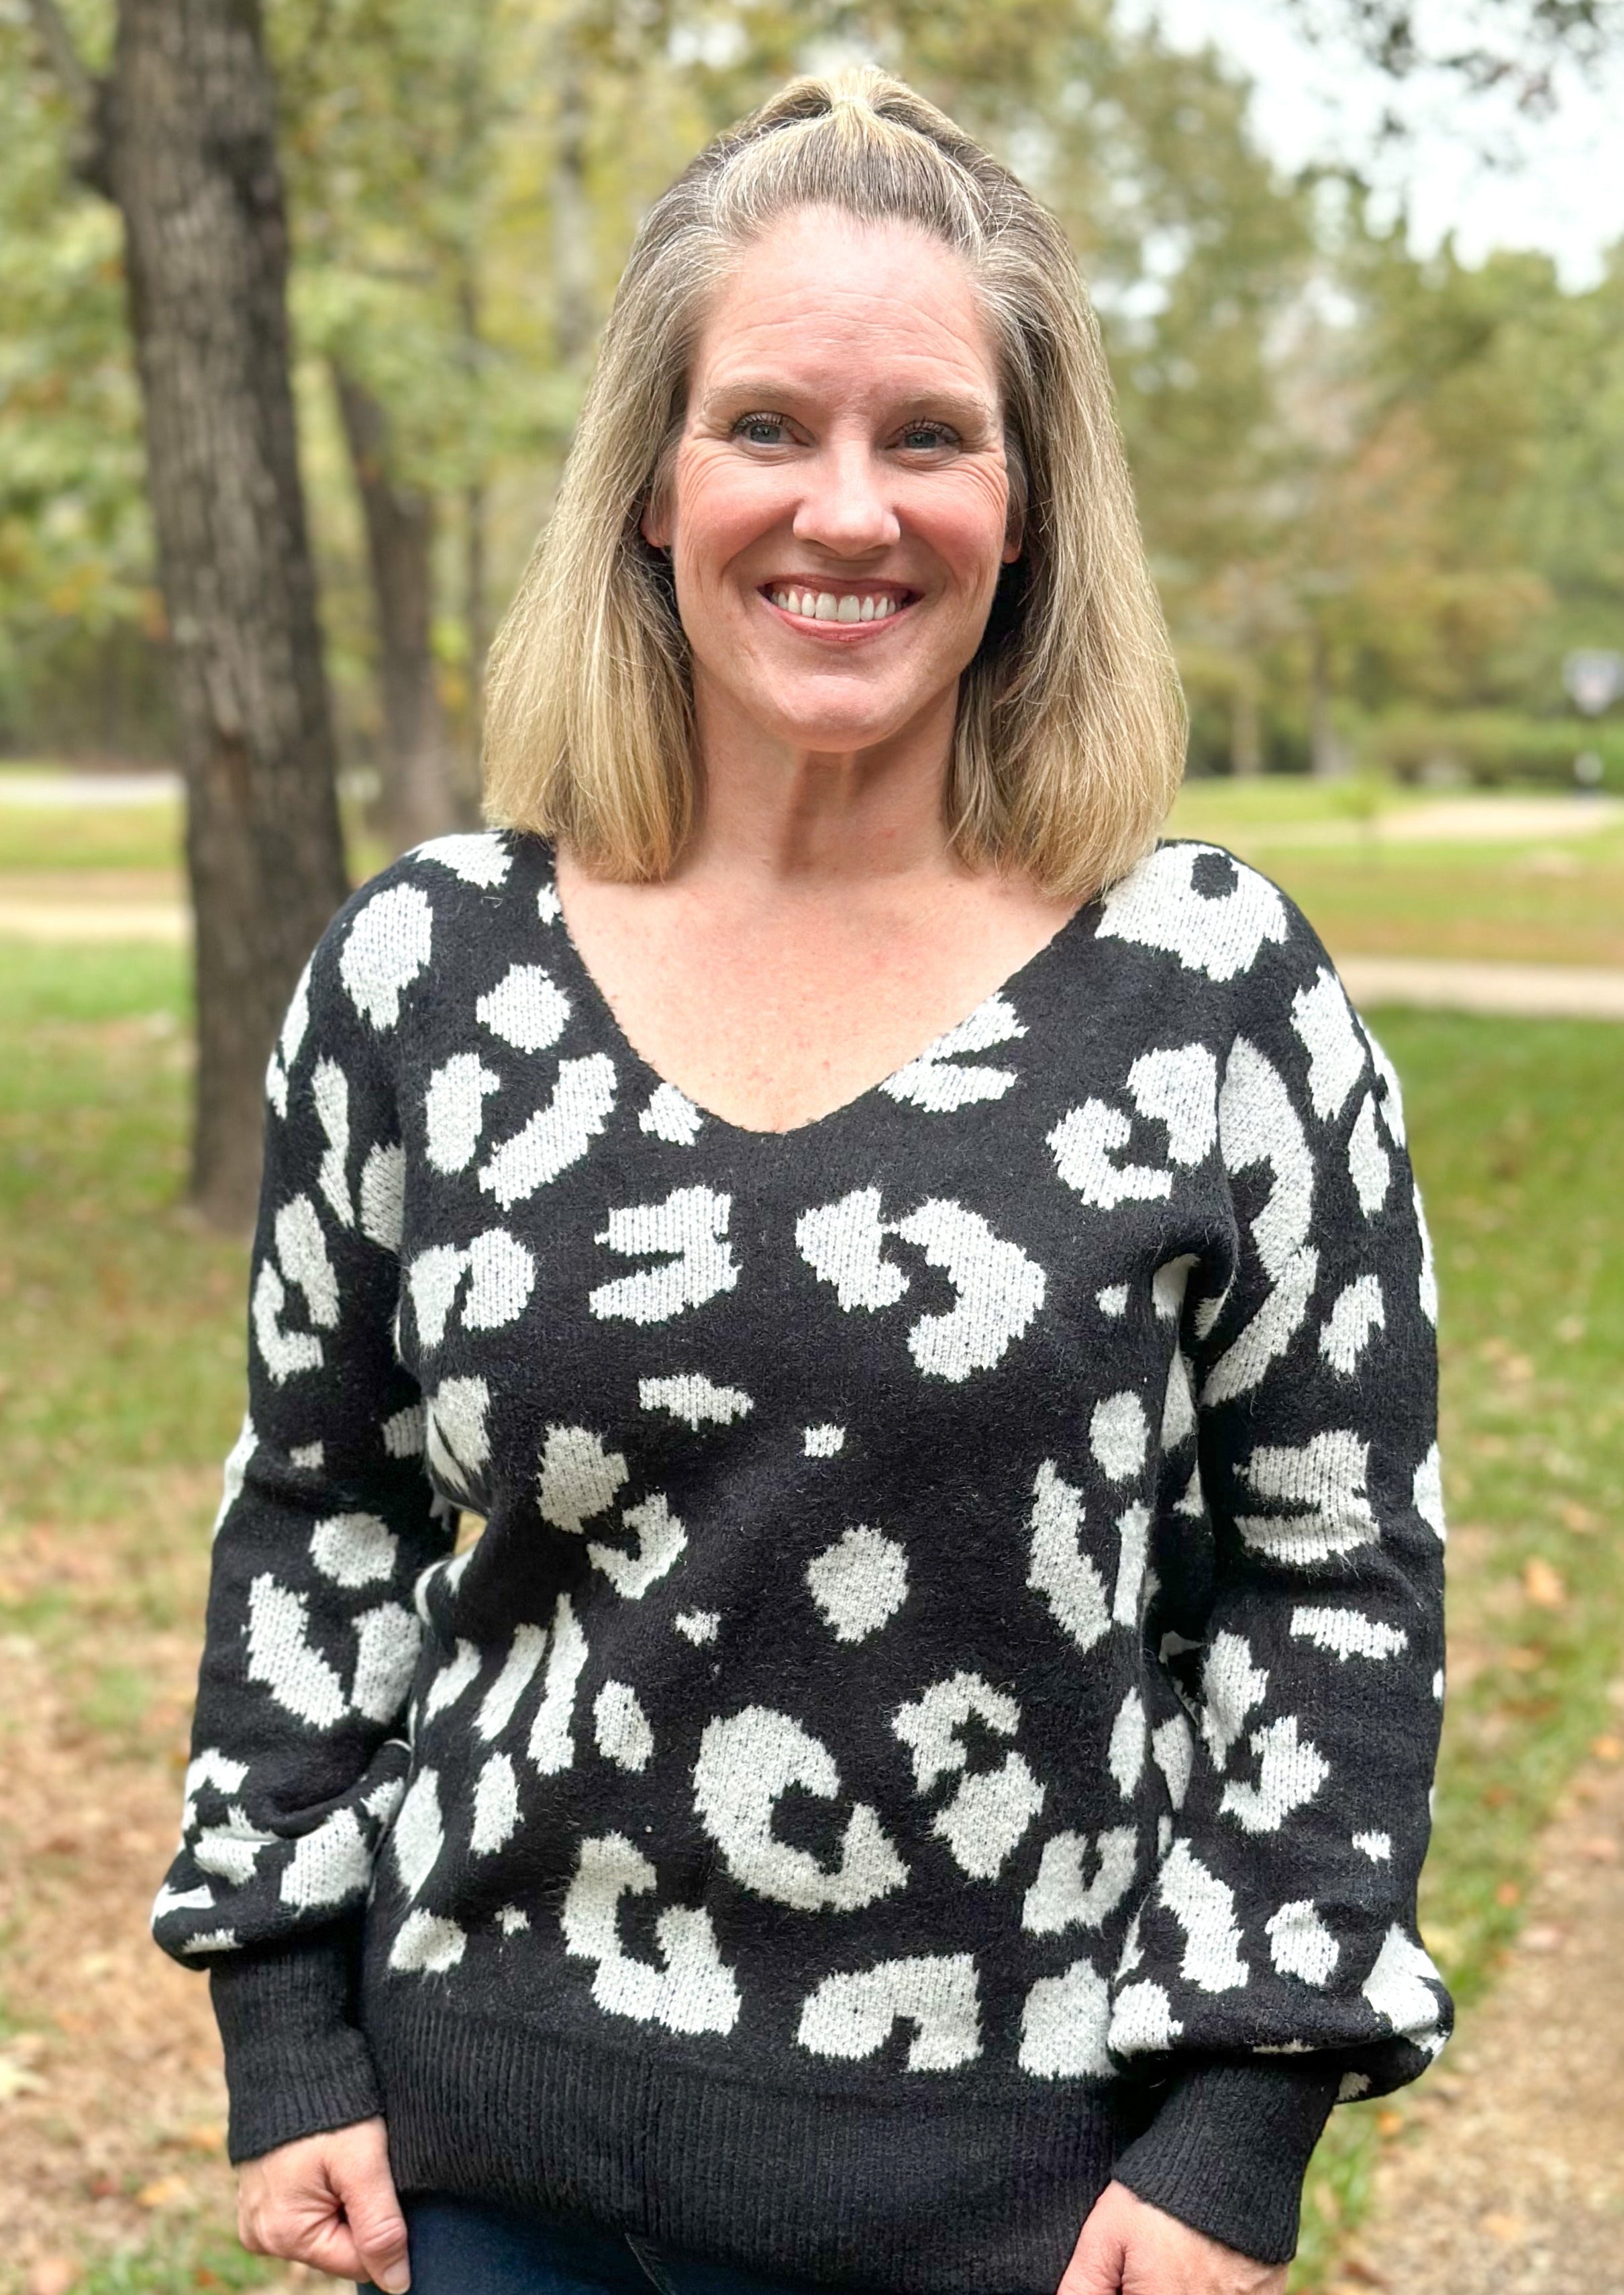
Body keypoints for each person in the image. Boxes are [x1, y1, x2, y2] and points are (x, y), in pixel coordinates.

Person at [152, 68, 1451, 2295]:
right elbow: (323, 1503)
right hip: (491, 2171)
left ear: (1027, 505)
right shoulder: (427, 970)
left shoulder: (1204, 988)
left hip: (1032, 2208)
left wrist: (1240, 2118)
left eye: (926, 435)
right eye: (765, 425)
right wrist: (286, 2023)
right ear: (650, 489)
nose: (844, 509)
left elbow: (1329, 1577)